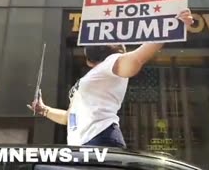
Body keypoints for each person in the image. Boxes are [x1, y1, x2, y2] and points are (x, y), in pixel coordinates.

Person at [28, 8, 194, 148]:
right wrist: (45, 110)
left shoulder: (111, 62)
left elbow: (136, 59)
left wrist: (172, 29)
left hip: (100, 140)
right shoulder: (97, 75)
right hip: (82, 145)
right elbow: (69, 117)